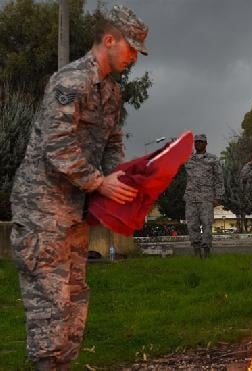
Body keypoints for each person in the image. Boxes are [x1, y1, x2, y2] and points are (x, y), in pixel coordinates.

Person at [9, 5, 148, 370]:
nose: (133, 57)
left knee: (73, 305)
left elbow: (112, 143)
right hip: (43, 211)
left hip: (75, 214)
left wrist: (116, 182)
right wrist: (100, 183)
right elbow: (58, 146)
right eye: (130, 48)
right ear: (108, 40)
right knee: (49, 307)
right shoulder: (70, 82)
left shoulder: (112, 94)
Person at [183, 134, 224, 258]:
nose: (198, 144)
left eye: (201, 142)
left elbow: (219, 178)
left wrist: (219, 197)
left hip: (207, 198)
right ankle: (196, 252)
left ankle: (206, 253)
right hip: (191, 198)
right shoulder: (188, 159)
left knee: (207, 225)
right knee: (192, 225)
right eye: (196, 142)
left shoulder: (213, 159)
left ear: (206, 143)